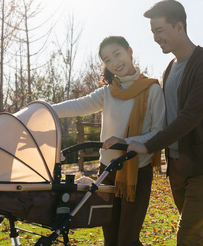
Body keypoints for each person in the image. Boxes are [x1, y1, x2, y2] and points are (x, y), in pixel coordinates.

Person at [125, 0, 203, 245]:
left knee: (188, 236)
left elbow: (190, 117)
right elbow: (163, 117)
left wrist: (149, 145)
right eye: (153, 32)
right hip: (177, 167)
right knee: (202, 234)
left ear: (179, 27)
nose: (155, 38)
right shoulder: (169, 69)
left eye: (159, 30)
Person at [52, 35, 165, 246]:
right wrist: (47, 109)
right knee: (110, 240)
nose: (114, 63)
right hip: (107, 172)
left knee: (127, 240)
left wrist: (125, 141)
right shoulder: (108, 92)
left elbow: (159, 132)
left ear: (130, 51)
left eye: (117, 54)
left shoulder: (152, 90)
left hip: (137, 172)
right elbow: (79, 105)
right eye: (107, 60)